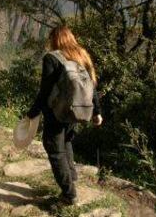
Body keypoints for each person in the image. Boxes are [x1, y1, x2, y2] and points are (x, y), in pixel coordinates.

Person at [26, 25, 103, 206]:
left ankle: (69, 195)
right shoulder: (81, 55)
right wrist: (96, 112)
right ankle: (72, 178)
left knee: (54, 149)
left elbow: (45, 92)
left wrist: (32, 113)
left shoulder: (52, 58)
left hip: (56, 112)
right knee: (66, 141)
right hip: (76, 111)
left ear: (55, 39)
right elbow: (92, 86)